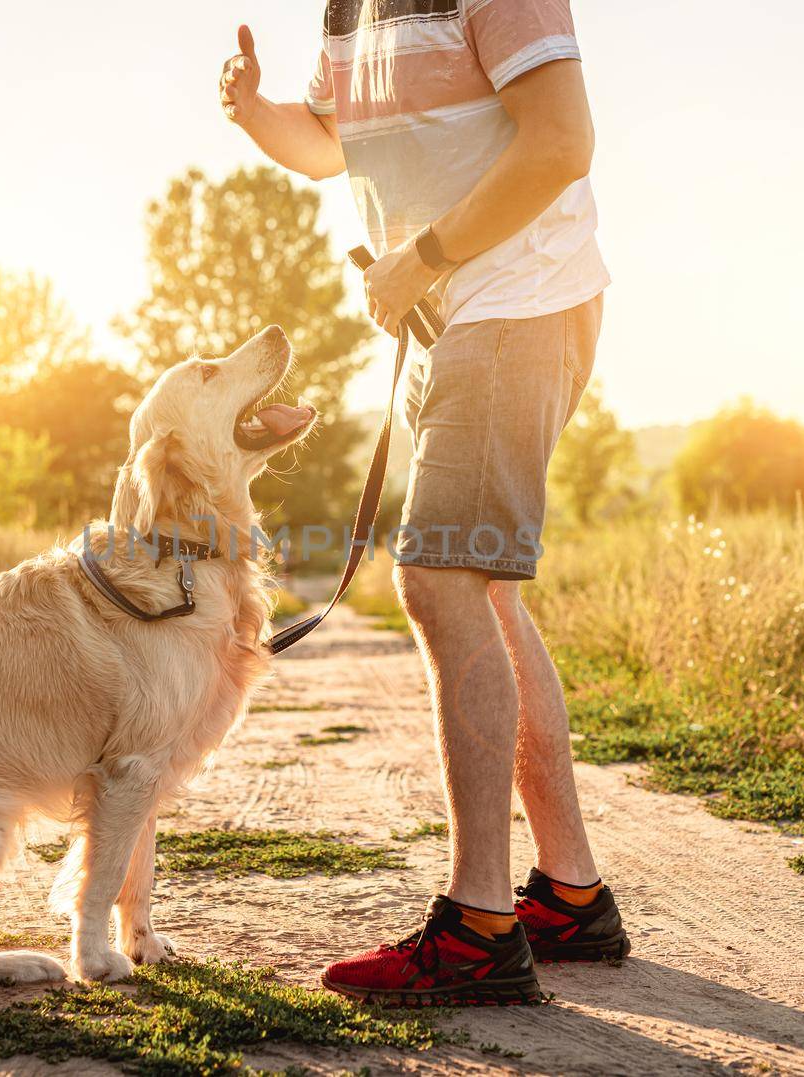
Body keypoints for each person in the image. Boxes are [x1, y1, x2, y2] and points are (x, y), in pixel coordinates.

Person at [219, 0, 629, 1006]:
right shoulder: (349, 8)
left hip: (513, 303)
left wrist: (427, 257)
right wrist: (256, 112)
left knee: (439, 579)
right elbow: (330, 150)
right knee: (478, 589)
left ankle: (480, 926)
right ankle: (569, 896)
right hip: (445, 316)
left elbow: (563, 142)